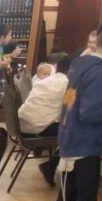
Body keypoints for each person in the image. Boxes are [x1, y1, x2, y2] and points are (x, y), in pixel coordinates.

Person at [43, 24, 102, 201]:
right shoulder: (100, 72)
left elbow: (69, 103)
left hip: (70, 140)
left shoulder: (80, 65)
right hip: (86, 145)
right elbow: (91, 113)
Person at [19, 53, 71, 186]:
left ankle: (51, 166)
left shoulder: (45, 80)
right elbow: (72, 107)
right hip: (38, 128)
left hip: (22, 125)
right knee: (74, 134)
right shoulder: (67, 83)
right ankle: (52, 167)